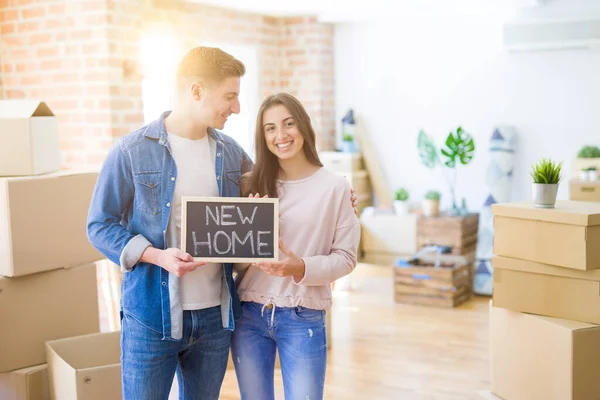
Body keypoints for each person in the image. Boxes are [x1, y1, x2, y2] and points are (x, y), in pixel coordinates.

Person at [86, 46, 253, 400]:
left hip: (214, 319)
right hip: (150, 318)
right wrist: (156, 256)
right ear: (196, 91)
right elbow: (99, 225)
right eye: (230, 96)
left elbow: (273, 195)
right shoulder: (131, 151)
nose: (236, 107)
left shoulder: (233, 153)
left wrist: (335, 195)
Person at [231, 92, 361, 400]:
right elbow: (234, 265)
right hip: (249, 313)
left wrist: (300, 266)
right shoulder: (249, 185)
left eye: (289, 124)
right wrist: (254, 236)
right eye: (270, 128)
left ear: (303, 126)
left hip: (303, 316)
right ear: (263, 137)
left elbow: (346, 258)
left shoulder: (336, 187)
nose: (281, 135)